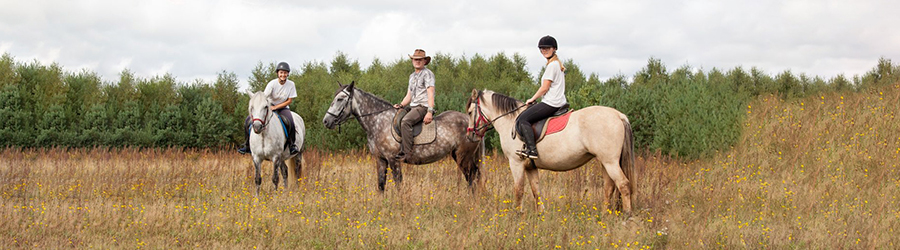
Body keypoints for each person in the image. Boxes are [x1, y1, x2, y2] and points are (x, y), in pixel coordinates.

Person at [516, 35, 567, 159]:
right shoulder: (557, 65)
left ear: (554, 49)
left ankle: (532, 150)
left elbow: (545, 88)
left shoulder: (552, 65)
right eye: (542, 48)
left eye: (547, 48)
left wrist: (532, 99)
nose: (544, 50)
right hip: (558, 101)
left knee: (523, 120)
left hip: (552, 103)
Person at [238, 61, 301, 155]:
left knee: (290, 122)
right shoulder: (272, 84)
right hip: (270, 107)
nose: (283, 75)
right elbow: (264, 97)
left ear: (288, 74)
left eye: (285, 73)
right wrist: (268, 107)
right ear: (278, 73)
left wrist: (276, 107)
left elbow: (289, 101)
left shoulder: (291, 84)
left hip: (283, 108)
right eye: (281, 72)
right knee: (248, 121)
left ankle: (292, 145)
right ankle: (247, 145)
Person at [392, 49, 436, 161]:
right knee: (396, 116)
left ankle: (407, 153)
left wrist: (429, 111)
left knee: (406, 121)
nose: (417, 61)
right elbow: (409, 95)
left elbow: (430, 93)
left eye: (420, 59)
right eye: (415, 59)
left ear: (424, 61)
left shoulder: (428, 74)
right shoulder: (412, 76)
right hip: (412, 106)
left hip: (423, 106)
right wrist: (401, 105)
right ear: (412, 61)